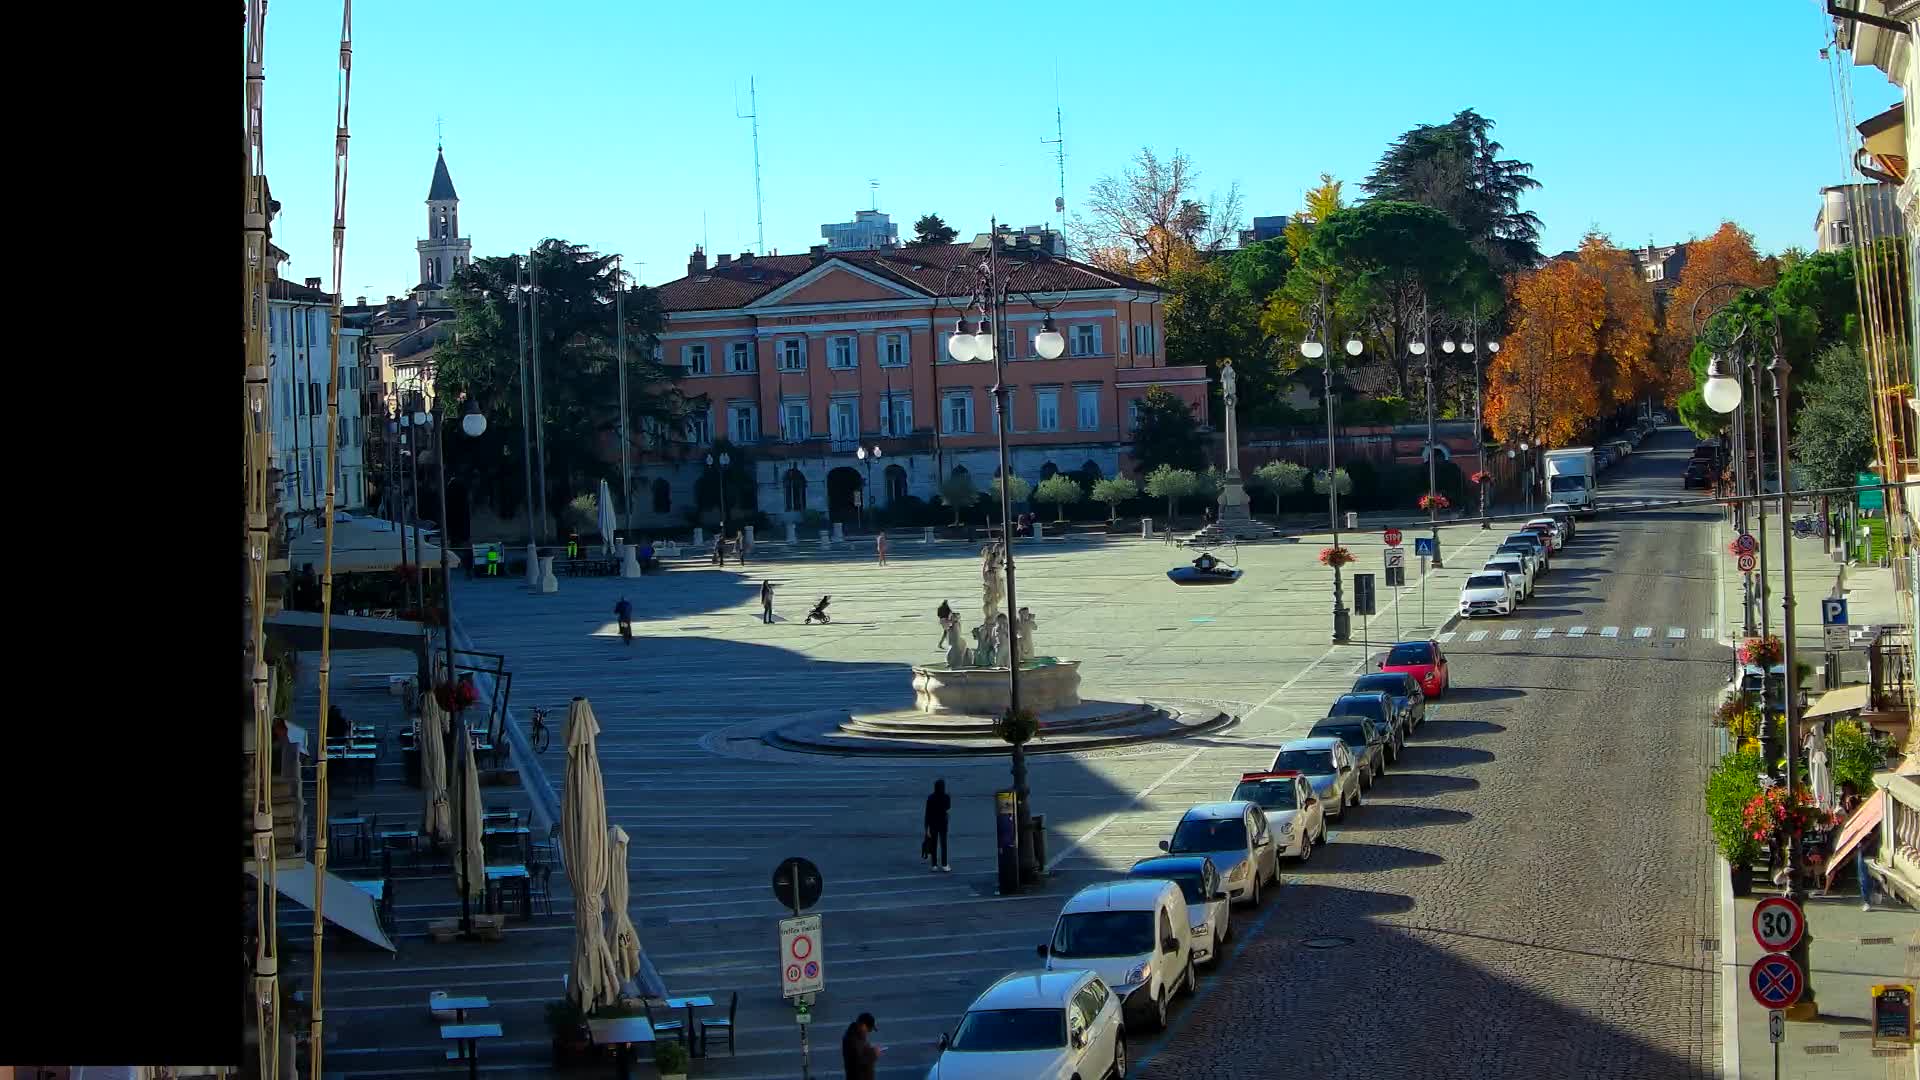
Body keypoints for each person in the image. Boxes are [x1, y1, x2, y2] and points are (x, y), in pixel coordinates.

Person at [841, 1013, 880, 1080]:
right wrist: (874, 1054)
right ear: (863, 1025)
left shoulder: (859, 1037)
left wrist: (871, 1051)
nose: (868, 1032)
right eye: (868, 1030)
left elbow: (862, 1054)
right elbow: (857, 1062)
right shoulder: (852, 1039)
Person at [924, 779, 951, 872]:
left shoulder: (930, 797)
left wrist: (926, 827)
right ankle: (944, 864)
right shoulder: (946, 797)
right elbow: (948, 809)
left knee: (933, 844)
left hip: (932, 824)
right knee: (943, 845)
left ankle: (934, 865)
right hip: (943, 824)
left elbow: (927, 813)